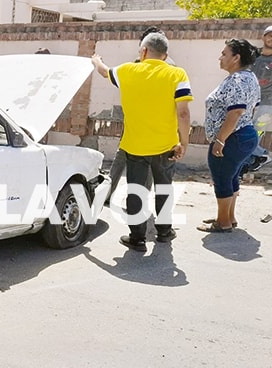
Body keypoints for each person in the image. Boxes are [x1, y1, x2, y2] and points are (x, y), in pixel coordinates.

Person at [92, 32, 192, 252]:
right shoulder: (177, 74)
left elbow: (103, 71)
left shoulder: (127, 70)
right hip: (166, 147)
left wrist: (96, 60)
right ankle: (164, 232)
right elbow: (183, 114)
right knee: (164, 188)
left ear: (144, 51)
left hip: (134, 146)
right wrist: (183, 143)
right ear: (165, 56)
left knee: (136, 191)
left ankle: (137, 238)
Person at [197, 39, 261, 233]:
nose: (220, 57)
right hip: (245, 134)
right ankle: (228, 217)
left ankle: (222, 223)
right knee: (231, 176)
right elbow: (252, 108)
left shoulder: (237, 80)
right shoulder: (250, 78)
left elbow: (236, 112)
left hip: (233, 138)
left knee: (222, 177)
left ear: (236, 58)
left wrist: (220, 140)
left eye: (224, 54)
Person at [106, 27, 172, 203]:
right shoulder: (170, 67)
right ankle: (132, 201)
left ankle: (130, 201)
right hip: (153, 127)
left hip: (141, 125)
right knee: (147, 165)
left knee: (131, 160)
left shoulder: (139, 66)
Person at [244, 25, 272, 173]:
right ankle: (254, 158)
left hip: (269, 104)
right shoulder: (255, 56)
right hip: (250, 102)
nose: (271, 38)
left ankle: (262, 154)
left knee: (257, 131)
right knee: (245, 131)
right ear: (263, 37)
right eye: (269, 35)